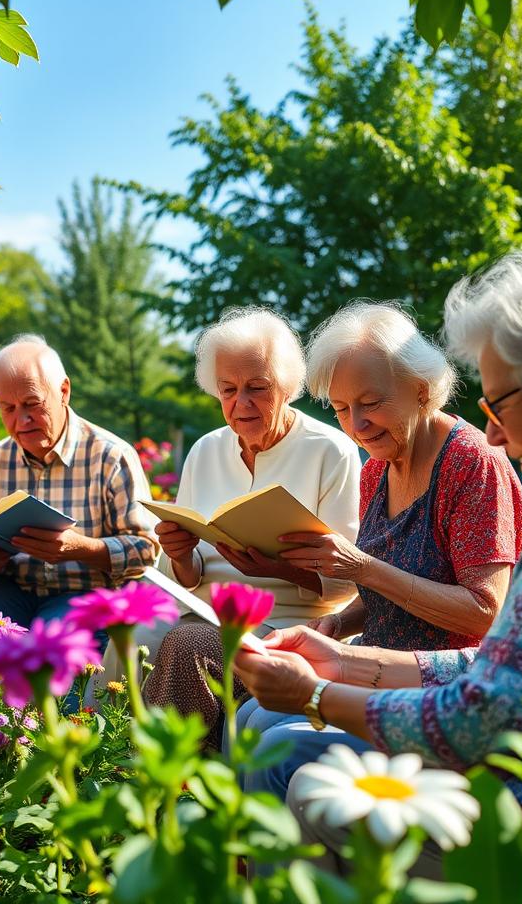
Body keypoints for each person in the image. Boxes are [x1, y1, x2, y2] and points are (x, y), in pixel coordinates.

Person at [233, 227, 522, 858]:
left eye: (500, 403)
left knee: (309, 779)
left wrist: (314, 694)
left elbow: (482, 713)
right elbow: (515, 665)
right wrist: (346, 661)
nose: (495, 435)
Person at [233, 302, 522, 742]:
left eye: (371, 403)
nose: (357, 425)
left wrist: (360, 568)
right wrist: (339, 623)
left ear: (423, 389)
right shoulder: (378, 468)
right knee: (252, 717)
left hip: (448, 694)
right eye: (341, 408)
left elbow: (485, 613)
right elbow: (394, 593)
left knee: (277, 739)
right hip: (376, 671)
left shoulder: (472, 463)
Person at [139, 306, 362, 747]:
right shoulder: (205, 450)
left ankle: (180, 781)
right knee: (129, 626)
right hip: (199, 609)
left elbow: (350, 584)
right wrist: (181, 554)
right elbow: (183, 577)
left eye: (257, 388)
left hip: (287, 622)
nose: (241, 404)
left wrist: (279, 569)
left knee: (189, 647)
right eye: (228, 389)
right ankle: (104, 765)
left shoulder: (330, 451)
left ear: (287, 388)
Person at [0, 334, 158, 644]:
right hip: (5, 593)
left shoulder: (111, 456)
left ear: (64, 391)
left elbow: (148, 550)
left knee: (53, 649)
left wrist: (82, 549)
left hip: (84, 596)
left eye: (32, 404)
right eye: (8, 409)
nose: (22, 419)